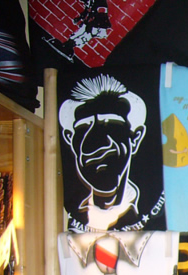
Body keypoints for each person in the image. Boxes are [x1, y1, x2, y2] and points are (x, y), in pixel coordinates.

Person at [59, 74, 147, 231]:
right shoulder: (72, 209)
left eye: (111, 125)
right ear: (70, 139)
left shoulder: (150, 205)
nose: (97, 141)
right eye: (84, 127)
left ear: (135, 138)